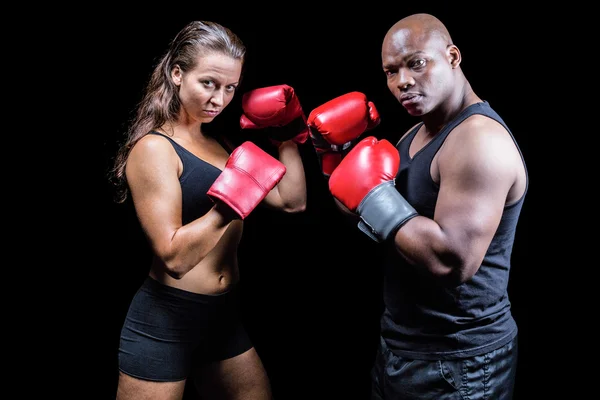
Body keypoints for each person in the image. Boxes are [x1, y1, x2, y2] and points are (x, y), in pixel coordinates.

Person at [321, 13, 528, 399]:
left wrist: (371, 194)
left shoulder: (478, 140)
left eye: (416, 63)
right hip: (401, 345)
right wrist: (337, 165)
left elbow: (452, 262)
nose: (402, 82)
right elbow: (376, 224)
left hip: (460, 360)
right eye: (390, 71)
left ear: (452, 56)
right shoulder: (416, 131)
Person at [109, 20, 308, 400]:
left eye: (230, 87)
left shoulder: (222, 145)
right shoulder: (155, 149)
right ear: (177, 74)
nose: (219, 99)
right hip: (166, 319)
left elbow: (292, 201)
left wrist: (286, 136)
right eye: (209, 84)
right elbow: (174, 257)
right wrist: (234, 200)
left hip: (221, 316)